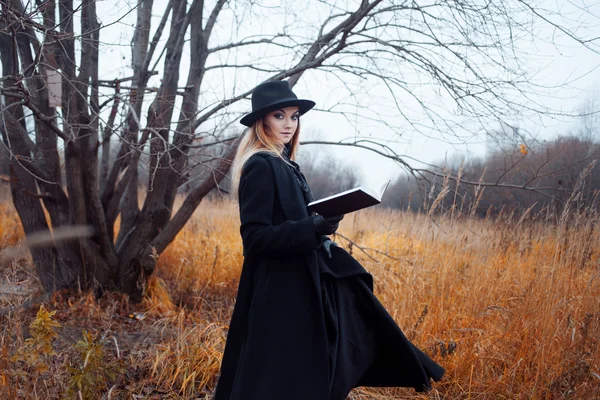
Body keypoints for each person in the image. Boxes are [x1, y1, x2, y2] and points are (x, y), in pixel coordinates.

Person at [214, 80, 444, 400]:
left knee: (306, 366)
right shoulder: (261, 165)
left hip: (299, 282)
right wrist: (313, 228)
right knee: (276, 375)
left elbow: (292, 221)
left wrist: (322, 223)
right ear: (261, 121)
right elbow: (254, 238)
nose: (289, 124)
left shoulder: (286, 165)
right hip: (278, 291)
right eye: (279, 116)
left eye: (294, 116)